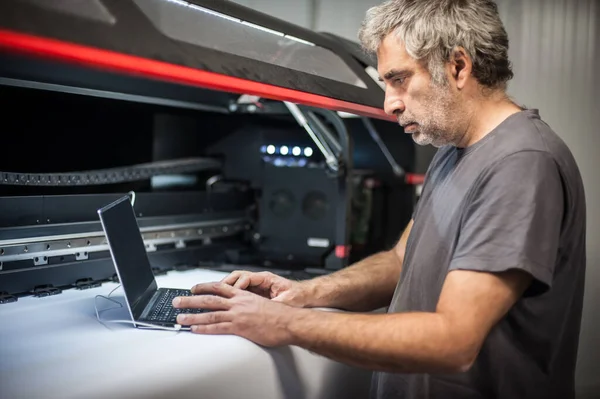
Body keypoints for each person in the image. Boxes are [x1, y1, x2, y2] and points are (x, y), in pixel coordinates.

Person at [173, 0, 587, 397]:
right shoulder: (453, 153)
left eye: (399, 79)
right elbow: (400, 263)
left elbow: (453, 340)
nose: (389, 103)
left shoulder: (520, 163)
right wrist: (302, 293)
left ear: (458, 67)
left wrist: (284, 323)